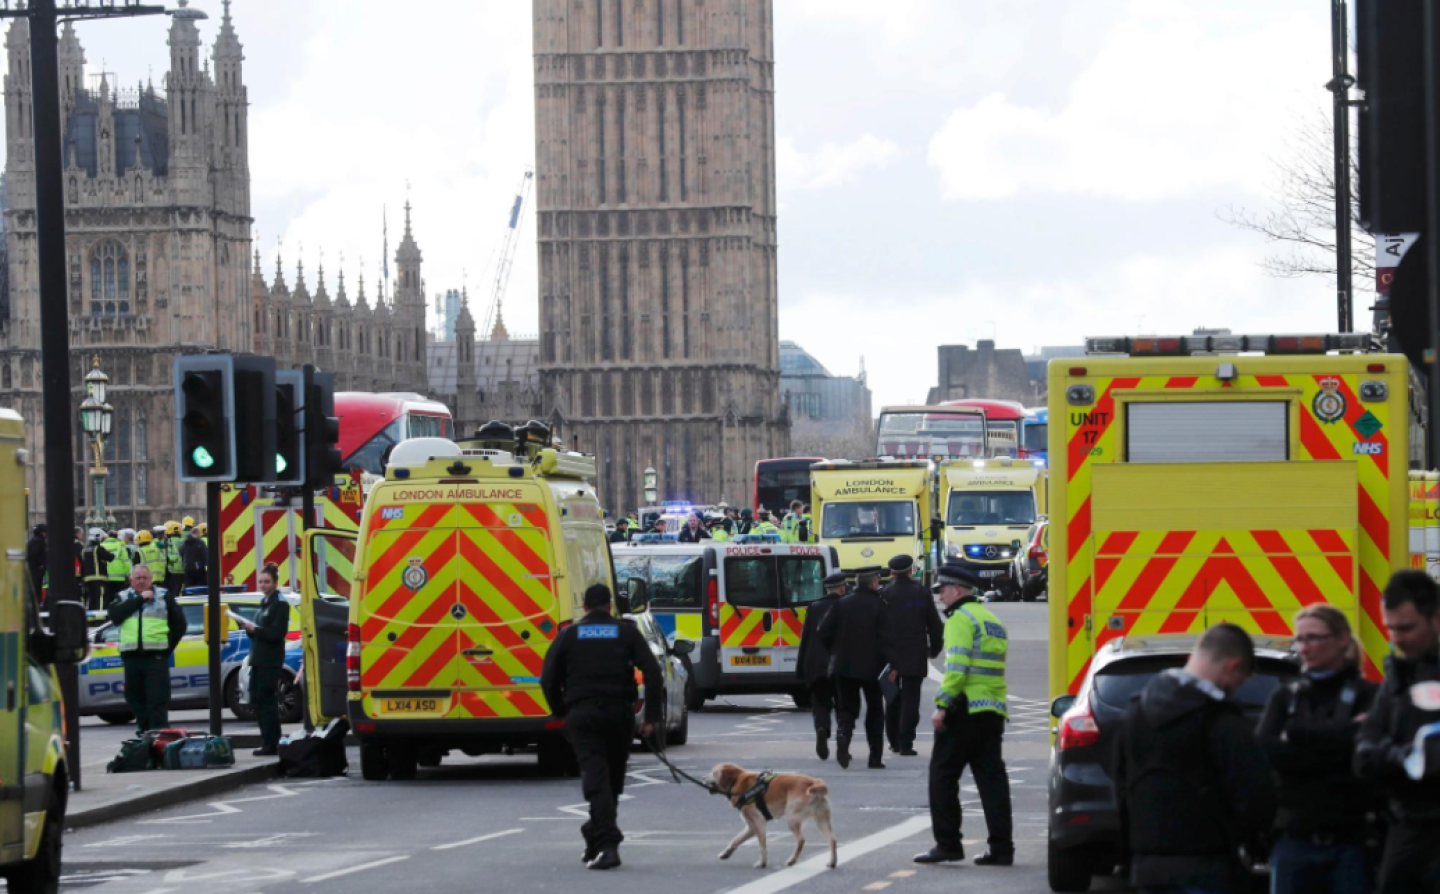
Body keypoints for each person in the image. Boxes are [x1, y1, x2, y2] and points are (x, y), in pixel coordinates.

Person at [1111, 622, 1277, 893]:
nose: (1236, 688)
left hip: (1148, 865)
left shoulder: (1135, 714)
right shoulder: (1223, 722)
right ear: (1233, 666)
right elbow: (1256, 794)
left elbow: (1121, 789)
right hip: (1210, 864)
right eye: (1241, 680)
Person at [540, 583, 664, 871]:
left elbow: (547, 679)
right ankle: (607, 843)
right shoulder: (626, 632)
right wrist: (651, 718)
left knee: (598, 778)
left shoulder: (569, 635)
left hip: (582, 716)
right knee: (612, 779)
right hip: (619, 715)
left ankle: (596, 832)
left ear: (584, 607)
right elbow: (653, 674)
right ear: (610, 606)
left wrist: (561, 712)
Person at [1258, 603, 1379, 894]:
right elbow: (1264, 751)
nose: (1304, 648)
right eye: (1299, 639)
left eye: (1313, 638)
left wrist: (1296, 735)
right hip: (1294, 840)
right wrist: (1342, 737)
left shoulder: (1370, 695)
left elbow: (1366, 758)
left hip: (1351, 843)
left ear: (1341, 639)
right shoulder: (1285, 696)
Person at [916, 563, 1015, 867]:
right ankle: (1002, 849)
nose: (941, 597)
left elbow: (956, 668)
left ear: (956, 589)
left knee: (942, 776)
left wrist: (943, 705)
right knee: (992, 781)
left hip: (965, 707)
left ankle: (948, 845)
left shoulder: (960, 619)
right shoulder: (992, 620)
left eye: (943, 591)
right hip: (992, 709)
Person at [1356, 570, 1440, 894]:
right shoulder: (1397, 680)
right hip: (1406, 831)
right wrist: (1406, 757)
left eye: (1406, 628)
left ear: (1435, 617)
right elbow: (1364, 752)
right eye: (1390, 628)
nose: (1397, 638)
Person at [818, 565, 889, 769]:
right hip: (873, 669)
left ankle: (843, 736)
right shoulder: (880, 605)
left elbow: (822, 632)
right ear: (874, 583)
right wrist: (891, 664)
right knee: (875, 711)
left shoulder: (842, 603)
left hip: (843, 666)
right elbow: (889, 638)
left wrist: (836, 650)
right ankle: (875, 758)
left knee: (847, 708)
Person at [105, 564, 186, 734]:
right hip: (132, 659)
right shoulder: (122, 596)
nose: (141, 581)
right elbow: (115, 616)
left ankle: (159, 738)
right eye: (138, 578)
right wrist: (140, 599)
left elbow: (180, 625)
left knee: (157, 701)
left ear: (151, 580)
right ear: (131, 580)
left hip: (155, 658)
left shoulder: (164, 596)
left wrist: (166, 648)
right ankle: (144, 738)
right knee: (135, 700)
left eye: (145, 578)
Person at [880, 554, 944, 756]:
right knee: (911, 700)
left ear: (892, 573)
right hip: (914, 654)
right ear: (911, 570)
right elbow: (934, 625)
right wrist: (934, 649)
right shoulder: (921, 593)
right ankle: (906, 742)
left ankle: (893, 741)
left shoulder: (884, 594)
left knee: (892, 699)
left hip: (889, 655)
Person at [238, 564, 291, 757]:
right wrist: (248, 629)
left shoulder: (280, 604)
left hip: (270, 661)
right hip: (257, 659)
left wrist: (255, 630)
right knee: (258, 701)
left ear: (275, 583)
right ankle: (266, 740)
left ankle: (272, 742)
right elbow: (259, 634)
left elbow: (277, 633)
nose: (263, 585)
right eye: (260, 581)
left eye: (267, 582)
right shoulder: (264, 603)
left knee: (267, 702)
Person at [797, 571, 847, 760]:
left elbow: (806, 639)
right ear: (842, 588)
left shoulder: (814, 607)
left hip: (817, 665)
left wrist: (801, 668)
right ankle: (842, 734)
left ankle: (821, 729)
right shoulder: (845, 606)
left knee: (820, 703)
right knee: (843, 705)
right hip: (840, 666)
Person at [100, 528, 132, 606]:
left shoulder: (101, 546)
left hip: (105, 577)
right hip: (119, 578)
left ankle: (107, 615)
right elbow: (126, 562)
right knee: (119, 599)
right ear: (117, 537)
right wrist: (129, 575)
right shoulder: (121, 546)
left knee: (107, 599)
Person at [80, 528, 107, 611]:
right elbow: (110, 557)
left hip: (87, 578)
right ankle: (100, 618)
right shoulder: (98, 549)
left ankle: (91, 618)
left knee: (91, 598)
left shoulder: (84, 550)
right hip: (99, 577)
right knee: (100, 596)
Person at [162, 521, 185, 598]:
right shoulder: (183, 541)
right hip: (182, 570)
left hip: (171, 570)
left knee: (171, 592)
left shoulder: (167, 542)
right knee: (179, 591)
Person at [24, 524, 45, 605]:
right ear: (42, 532)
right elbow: (35, 555)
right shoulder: (39, 541)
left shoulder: (33, 540)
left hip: (32, 569)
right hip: (36, 570)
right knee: (36, 590)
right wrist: (41, 565)